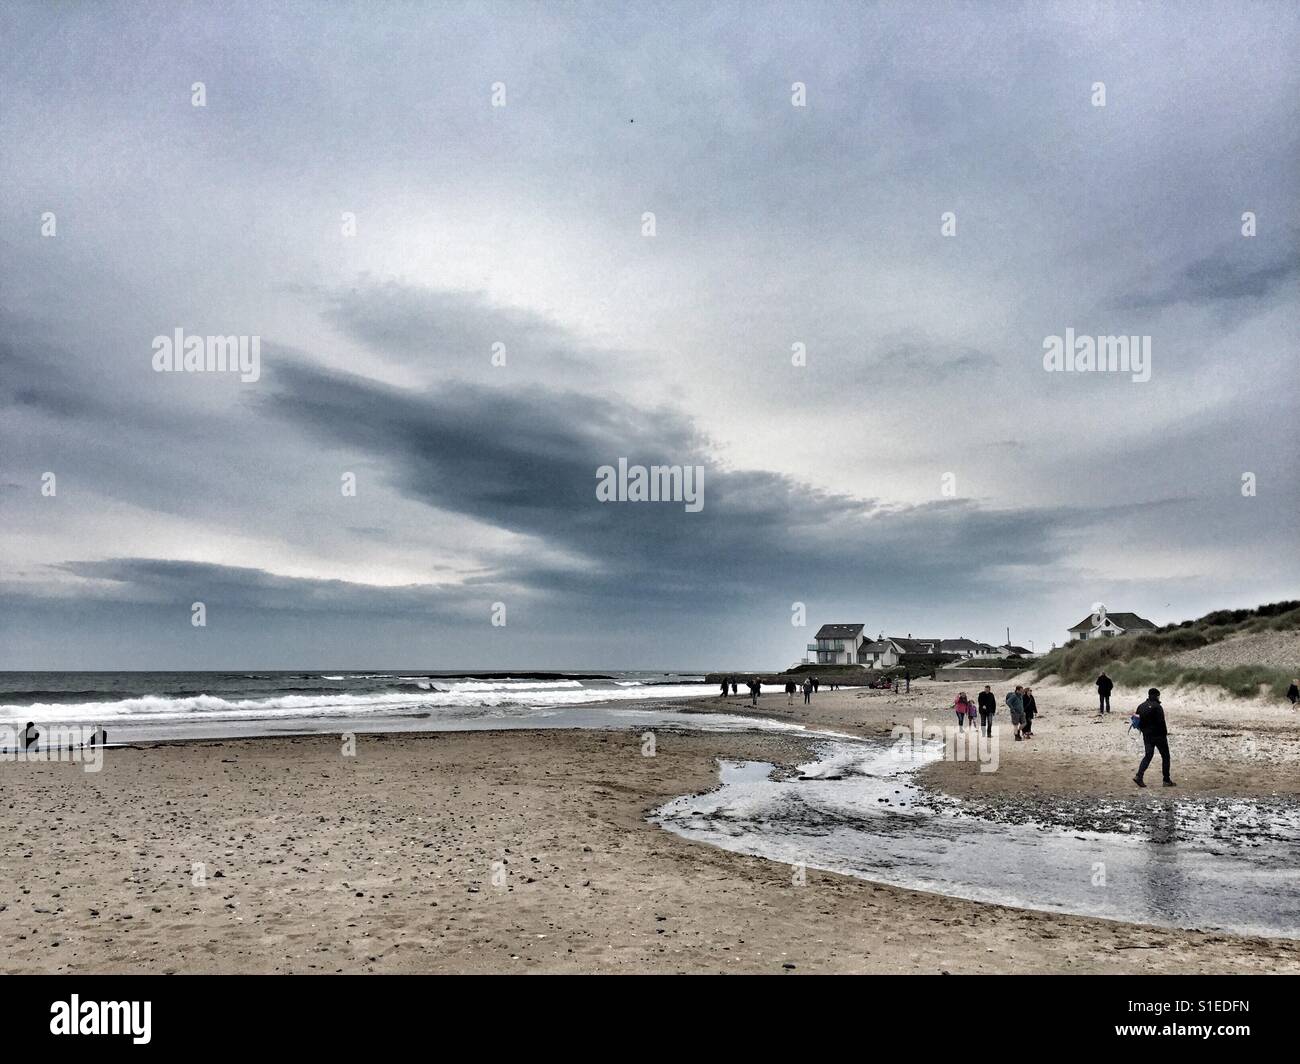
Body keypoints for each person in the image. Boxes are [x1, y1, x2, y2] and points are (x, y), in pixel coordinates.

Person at [1133, 687, 1175, 788]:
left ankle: (1139, 776)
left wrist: (1144, 731)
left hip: (1147, 736)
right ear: (1156, 695)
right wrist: (1165, 734)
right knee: (1165, 756)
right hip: (1159, 736)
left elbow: (1137, 721)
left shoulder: (1141, 706)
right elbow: (1161, 722)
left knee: (1148, 755)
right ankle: (1166, 780)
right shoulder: (1157, 707)